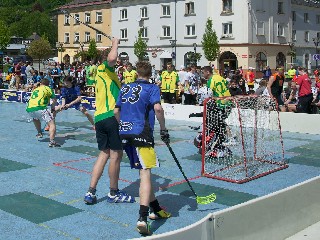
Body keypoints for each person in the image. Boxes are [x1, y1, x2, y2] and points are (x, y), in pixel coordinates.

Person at [114, 61, 171, 235]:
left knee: (143, 172)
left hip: (124, 132)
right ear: (150, 73)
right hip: (142, 133)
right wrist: (163, 129)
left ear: (136, 72)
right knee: (146, 173)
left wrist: (123, 126)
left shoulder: (124, 88)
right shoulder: (152, 88)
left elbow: (116, 111)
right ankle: (142, 217)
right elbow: (158, 109)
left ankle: (156, 209)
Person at [84, 37, 135, 205]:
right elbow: (112, 58)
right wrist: (115, 42)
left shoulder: (101, 75)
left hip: (99, 117)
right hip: (110, 116)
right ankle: (114, 192)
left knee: (104, 153)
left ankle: (91, 191)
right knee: (116, 155)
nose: (118, 60)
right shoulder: (106, 69)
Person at [202, 66, 232, 157]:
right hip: (228, 101)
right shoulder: (219, 77)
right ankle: (223, 143)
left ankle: (227, 140)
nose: (202, 74)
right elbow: (227, 85)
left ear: (207, 72)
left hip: (220, 103)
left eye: (203, 72)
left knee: (217, 124)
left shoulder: (210, 80)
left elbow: (209, 94)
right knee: (220, 123)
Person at [26, 78, 60, 147]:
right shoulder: (48, 88)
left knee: (36, 118)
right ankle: (52, 141)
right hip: (40, 108)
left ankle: (39, 133)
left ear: (41, 83)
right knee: (52, 123)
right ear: (48, 84)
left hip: (29, 108)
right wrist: (53, 108)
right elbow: (54, 100)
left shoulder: (36, 89)